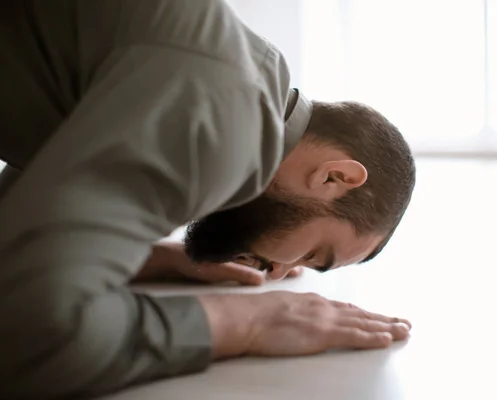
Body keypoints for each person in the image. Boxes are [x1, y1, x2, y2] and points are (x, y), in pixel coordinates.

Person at [0, 0, 416, 399]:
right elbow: (28, 334)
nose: (276, 274)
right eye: (313, 253)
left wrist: (147, 258)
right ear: (335, 176)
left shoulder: (237, 77)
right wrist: (242, 322)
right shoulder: (224, 116)